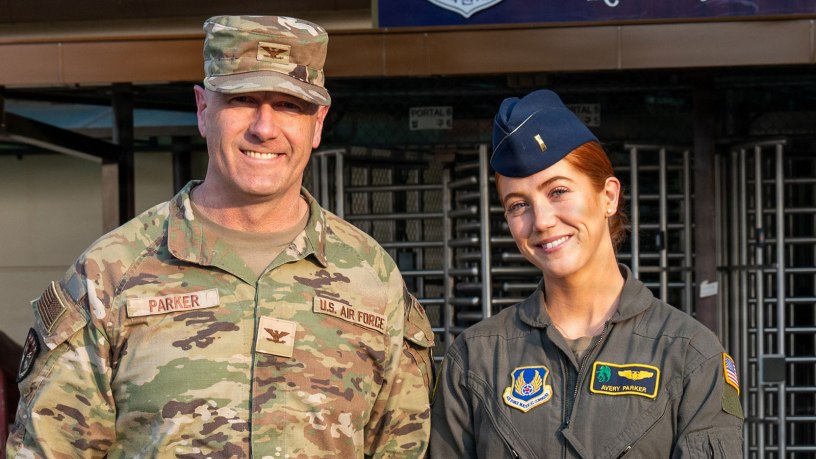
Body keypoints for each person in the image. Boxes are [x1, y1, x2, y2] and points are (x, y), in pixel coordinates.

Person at [7, 15, 434, 458]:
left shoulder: (373, 280)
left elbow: (403, 446)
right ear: (203, 109)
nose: (264, 127)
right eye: (243, 99)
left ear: (319, 122)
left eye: (289, 105)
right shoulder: (109, 274)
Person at [430, 89, 744, 458]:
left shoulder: (690, 354)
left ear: (608, 196)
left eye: (558, 191)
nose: (543, 221)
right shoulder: (474, 358)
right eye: (519, 205)